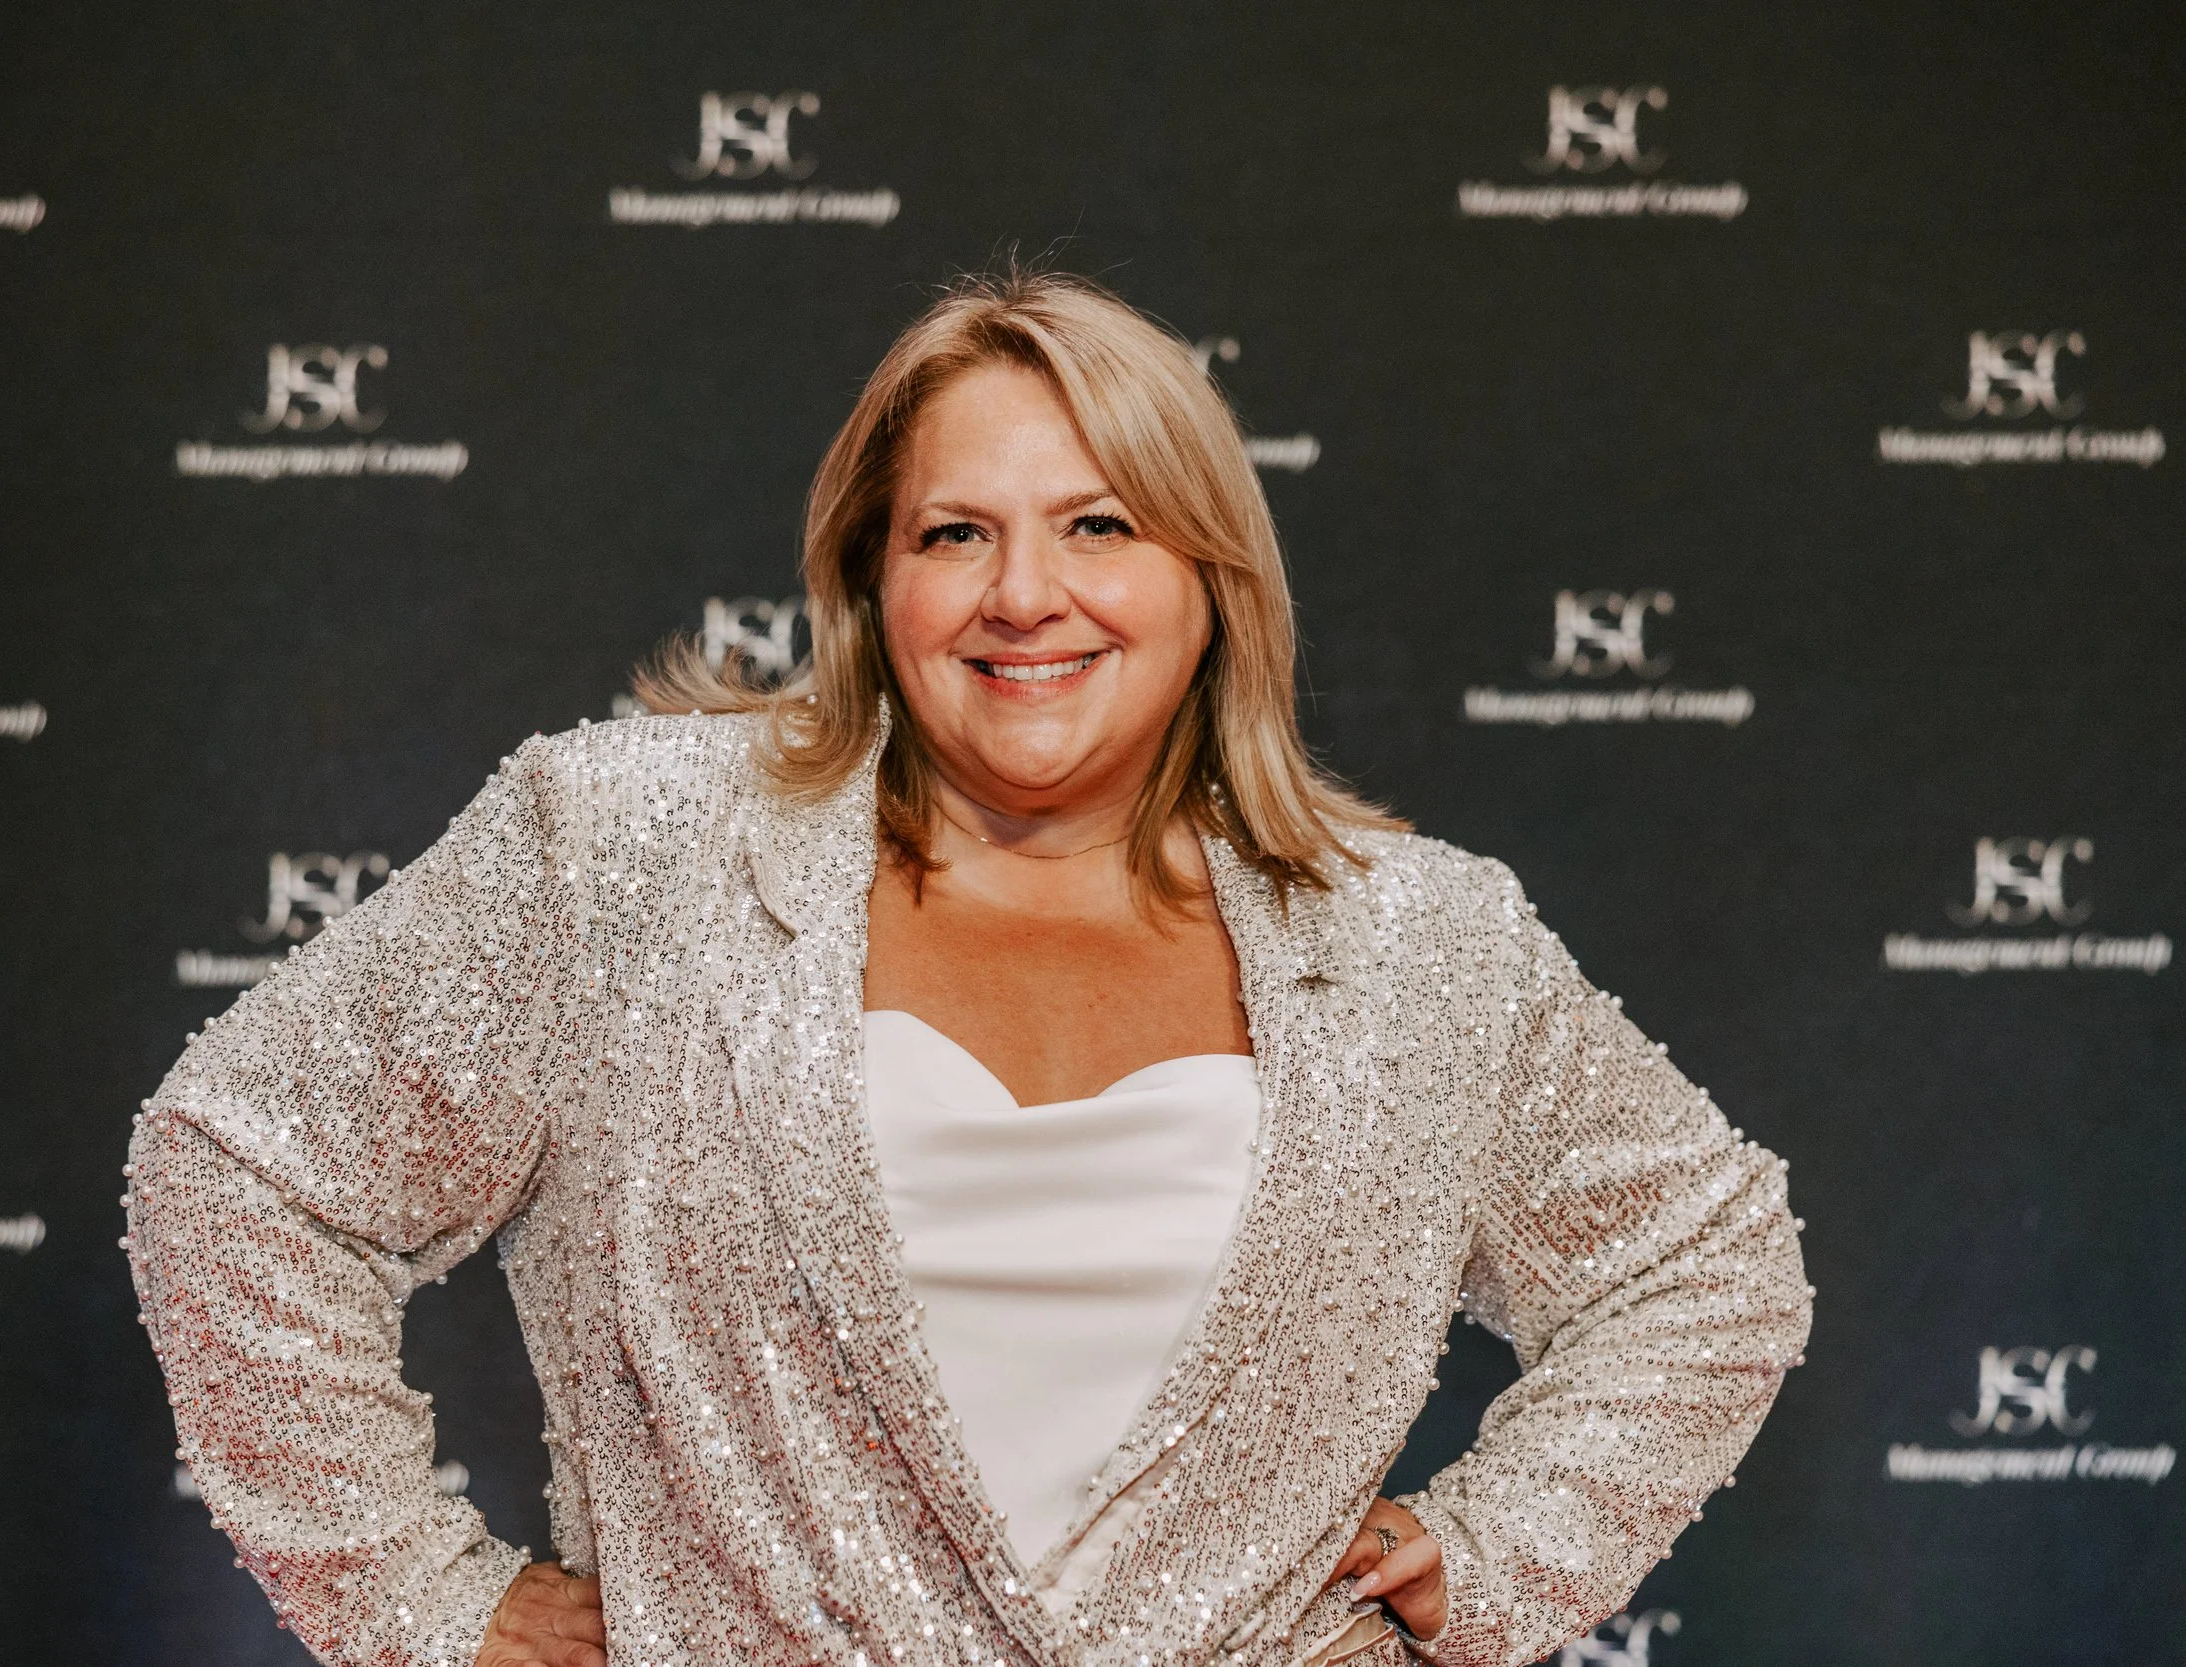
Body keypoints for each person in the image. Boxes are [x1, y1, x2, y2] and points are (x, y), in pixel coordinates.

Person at [123, 270, 1810, 1667]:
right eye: (953, 534)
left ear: (1210, 578)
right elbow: (240, 1160)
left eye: (1098, 524)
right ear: (874, 574)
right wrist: (425, 1599)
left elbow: (1708, 1257)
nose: (1024, 595)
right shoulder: (627, 850)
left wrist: (1502, 1548)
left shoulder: (1419, 941)